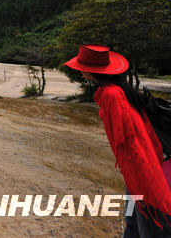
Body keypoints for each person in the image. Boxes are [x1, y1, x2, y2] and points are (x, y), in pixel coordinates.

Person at [64, 44, 171, 237]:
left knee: (150, 228)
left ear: (88, 71)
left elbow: (133, 143)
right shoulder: (119, 89)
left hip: (147, 171)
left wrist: (146, 184)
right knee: (132, 224)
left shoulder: (112, 95)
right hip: (143, 167)